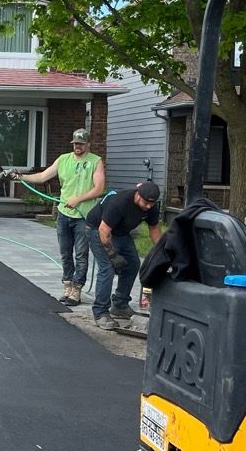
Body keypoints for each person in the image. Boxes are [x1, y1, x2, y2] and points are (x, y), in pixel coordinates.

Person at [9, 128, 106, 306]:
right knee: (65, 253)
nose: (77, 146)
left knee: (81, 255)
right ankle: (67, 286)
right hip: (64, 214)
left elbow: (99, 188)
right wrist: (21, 176)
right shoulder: (63, 159)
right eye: (75, 143)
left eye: (81, 144)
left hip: (84, 216)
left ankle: (76, 290)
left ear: (88, 145)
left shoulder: (95, 162)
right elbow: (42, 176)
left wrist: (78, 199)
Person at [86, 181, 164, 329]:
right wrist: (113, 255)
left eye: (151, 204)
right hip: (97, 230)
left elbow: (154, 228)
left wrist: (161, 251)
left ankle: (120, 305)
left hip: (121, 233)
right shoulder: (120, 202)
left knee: (133, 264)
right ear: (138, 195)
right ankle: (100, 312)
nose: (148, 206)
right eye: (146, 202)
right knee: (107, 269)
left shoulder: (151, 207)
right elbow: (103, 231)